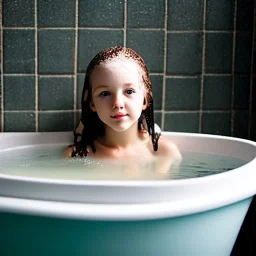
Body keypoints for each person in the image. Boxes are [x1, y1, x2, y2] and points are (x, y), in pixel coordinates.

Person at [64, 46, 181, 175]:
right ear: (92, 102)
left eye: (129, 91)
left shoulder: (165, 153)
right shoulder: (76, 155)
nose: (117, 104)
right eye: (105, 93)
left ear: (145, 100)